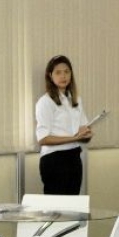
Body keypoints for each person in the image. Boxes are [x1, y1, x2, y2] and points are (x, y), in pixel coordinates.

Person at [35, 55, 92, 195]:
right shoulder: (45, 101)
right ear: (50, 76)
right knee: (56, 210)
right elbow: (43, 138)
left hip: (74, 157)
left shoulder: (76, 99)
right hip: (54, 160)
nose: (63, 76)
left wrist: (86, 134)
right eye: (58, 72)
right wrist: (74, 138)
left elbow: (83, 131)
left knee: (73, 207)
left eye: (67, 72)